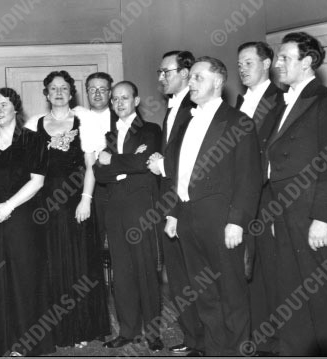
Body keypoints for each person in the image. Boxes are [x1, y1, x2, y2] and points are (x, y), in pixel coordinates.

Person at [164, 57, 262, 355]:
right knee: (204, 293)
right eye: (190, 77)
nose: (190, 83)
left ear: (218, 82)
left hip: (221, 219)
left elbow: (249, 176)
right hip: (188, 216)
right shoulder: (186, 122)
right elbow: (176, 172)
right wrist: (172, 214)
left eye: (197, 78)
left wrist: (237, 220)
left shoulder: (237, 121)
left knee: (231, 292)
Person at [267, 32, 327, 356]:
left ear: (307, 61)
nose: (277, 63)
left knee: (323, 295)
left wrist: (323, 219)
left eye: (285, 57)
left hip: (312, 213)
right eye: (278, 57)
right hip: (287, 213)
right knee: (293, 291)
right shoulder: (283, 102)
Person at [34, 70, 110, 348]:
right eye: (53, 88)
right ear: (46, 93)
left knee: (79, 263)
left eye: (64, 88)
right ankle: (59, 331)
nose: (58, 92)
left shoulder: (84, 121)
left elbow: (91, 166)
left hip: (76, 202)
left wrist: (86, 199)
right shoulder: (35, 125)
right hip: (45, 204)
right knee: (52, 264)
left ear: (71, 92)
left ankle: (82, 329)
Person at [0, 88, 54, 356]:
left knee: (24, 279)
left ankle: (25, 344)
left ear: (15, 108)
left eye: (4, 104)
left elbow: (38, 181)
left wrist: (8, 205)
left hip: (23, 218)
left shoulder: (32, 140)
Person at [94, 81, 163, 351]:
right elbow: (100, 174)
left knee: (146, 270)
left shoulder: (150, 130)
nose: (119, 103)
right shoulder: (110, 136)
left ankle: (154, 333)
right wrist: (126, 162)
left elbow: (144, 163)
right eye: (115, 99)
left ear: (136, 101)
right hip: (115, 209)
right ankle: (128, 330)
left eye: (125, 98)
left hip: (140, 208)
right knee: (122, 274)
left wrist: (114, 162)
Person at [146, 50, 205, 355]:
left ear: (185, 73)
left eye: (166, 72)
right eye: (160, 72)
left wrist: (164, 166)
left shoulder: (193, 108)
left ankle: (203, 340)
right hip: (170, 203)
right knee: (180, 276)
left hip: (184, 203)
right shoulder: (174, 109)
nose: (160, 78)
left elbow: (194, 159)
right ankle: (194, 339)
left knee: (192, 276)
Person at [235, 41, 285, 356]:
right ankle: (252, 333)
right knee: (245, 266)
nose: (242, 69)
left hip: (268, 197)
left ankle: (275, 339)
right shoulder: (239, 103)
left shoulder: (280, 101)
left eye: (248, 62)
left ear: (266, 64)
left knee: (270, 266)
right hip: (240, 195)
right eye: (239, 64)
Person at [73, 72, 117, 257]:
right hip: (84, 190)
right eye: (92, 89)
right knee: (90, 246)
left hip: (116, 189)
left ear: (110, 92)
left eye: (102, 89)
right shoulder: (75, 119)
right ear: (86, 92)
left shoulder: (123, 117)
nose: (97, 94)